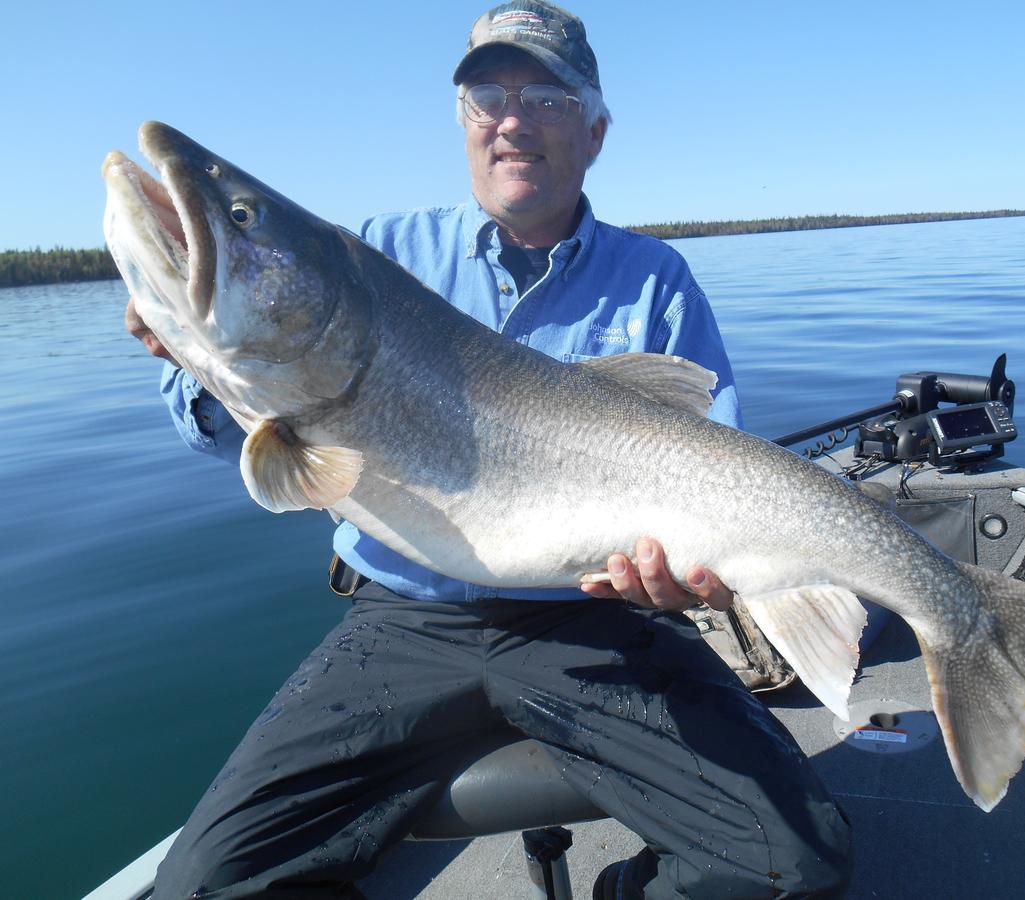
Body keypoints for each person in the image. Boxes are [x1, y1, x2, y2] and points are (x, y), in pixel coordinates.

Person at [132, 3, 851, 897]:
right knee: (202, 885)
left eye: (545, 95)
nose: (512, 119)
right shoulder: (381, 253)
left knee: (796, 868)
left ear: (594, 130)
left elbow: (719, 470)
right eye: (486, 96)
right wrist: (200, 360)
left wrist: (690, 578)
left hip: (594, 619)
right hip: (405, 616)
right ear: (465, 124)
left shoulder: (656, 280)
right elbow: (232, 434)